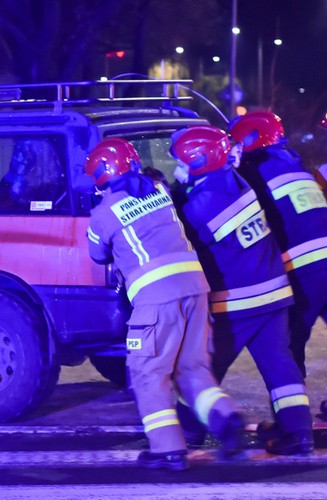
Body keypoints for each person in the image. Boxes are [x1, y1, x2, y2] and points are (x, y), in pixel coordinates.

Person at [85, 137, 243, 471]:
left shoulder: (102, 214)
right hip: (196, 289)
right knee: (193, 368)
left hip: (156, 300)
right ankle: (226, 417)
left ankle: (168, 449)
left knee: (147, 372)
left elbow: (97, 255)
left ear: (101, 172)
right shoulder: (158, 190)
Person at [169, 124, 314, 455]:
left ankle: (187, 430)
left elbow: (184, 233)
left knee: (204, 366)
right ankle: (299, 432)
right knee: (280, 365)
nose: (178, 168)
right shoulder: (238, 183)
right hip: (275, 293)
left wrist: (168, 197)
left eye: (181, 161)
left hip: (237, 302)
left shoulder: (202, 205)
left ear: (199, 161)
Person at [230, 110, 327, 422]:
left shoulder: (255, 170)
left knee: (290, 341)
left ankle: (292, 422)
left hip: (305, 268)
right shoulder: (292, 162)